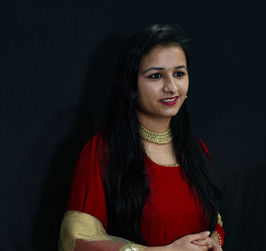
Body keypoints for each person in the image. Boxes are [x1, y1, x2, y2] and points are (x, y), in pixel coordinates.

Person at [59, 24, 225, 251]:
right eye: (156, 76)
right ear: (131, 84)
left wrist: (215, 240)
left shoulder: (196, 149)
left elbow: (213, 220)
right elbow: (76, 241)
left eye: (179, 73)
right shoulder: (102, 152)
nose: (171, 87)